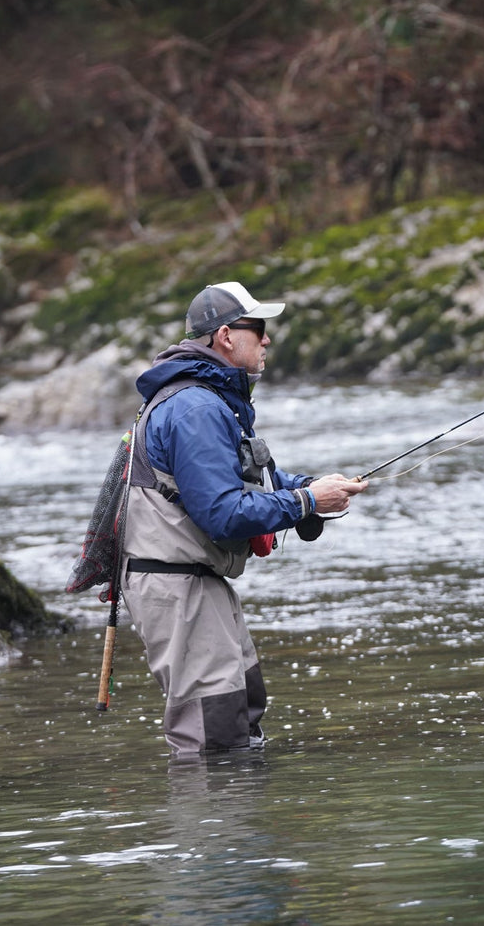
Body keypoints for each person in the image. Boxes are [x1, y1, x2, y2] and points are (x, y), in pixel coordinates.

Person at [121, 281, 366, 759]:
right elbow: (223, 512)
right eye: (260, 328)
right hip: (177, 586)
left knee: (244, 708)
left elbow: (252, 478)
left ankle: (238, 827)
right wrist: (306, 503)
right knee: (214, 734)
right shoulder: (195, 409)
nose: (268, 339)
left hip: (199, 580)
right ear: (227, 336)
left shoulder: (212, 400)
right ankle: (211, 832)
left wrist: (312, 488)